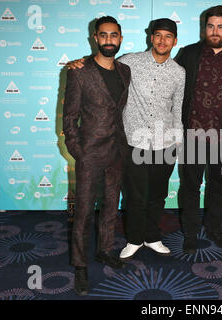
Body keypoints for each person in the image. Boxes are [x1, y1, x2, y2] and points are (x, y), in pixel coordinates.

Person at [68, 18, 185, 260]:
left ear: (175, 41)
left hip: (165, 144)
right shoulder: (128, 62)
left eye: (168, 37)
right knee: (135, 195)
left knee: (158, 195)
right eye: (158, 35)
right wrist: (77, 63)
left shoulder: (179, 72)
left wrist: (178, 142)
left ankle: (152, 237)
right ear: (150, 38)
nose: (163, 41)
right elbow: (100, 67)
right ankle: (133, 239)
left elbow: (178, 109)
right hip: (133, 141)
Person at [63, 16, 130, 296]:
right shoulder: (79, 72)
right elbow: (70, 119)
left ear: (121, 38)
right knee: (84, 213)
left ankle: (104, 250)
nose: (108, 40)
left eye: (113, 35)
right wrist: (80, 152)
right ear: (95, 38)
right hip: (90, 153)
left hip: (117, 151)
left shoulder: (125, 70)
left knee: (111, 208)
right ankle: (80, 265)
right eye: (103, 35)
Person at [175, 5, 222, 254]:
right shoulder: (189, 53)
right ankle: (190, 233)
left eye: (220, 26)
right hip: (193, 134)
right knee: (191, 186)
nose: (214, 31)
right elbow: (171, 85)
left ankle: (215, 229)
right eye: (210, 26)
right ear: (203, 27)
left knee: (218, 185)